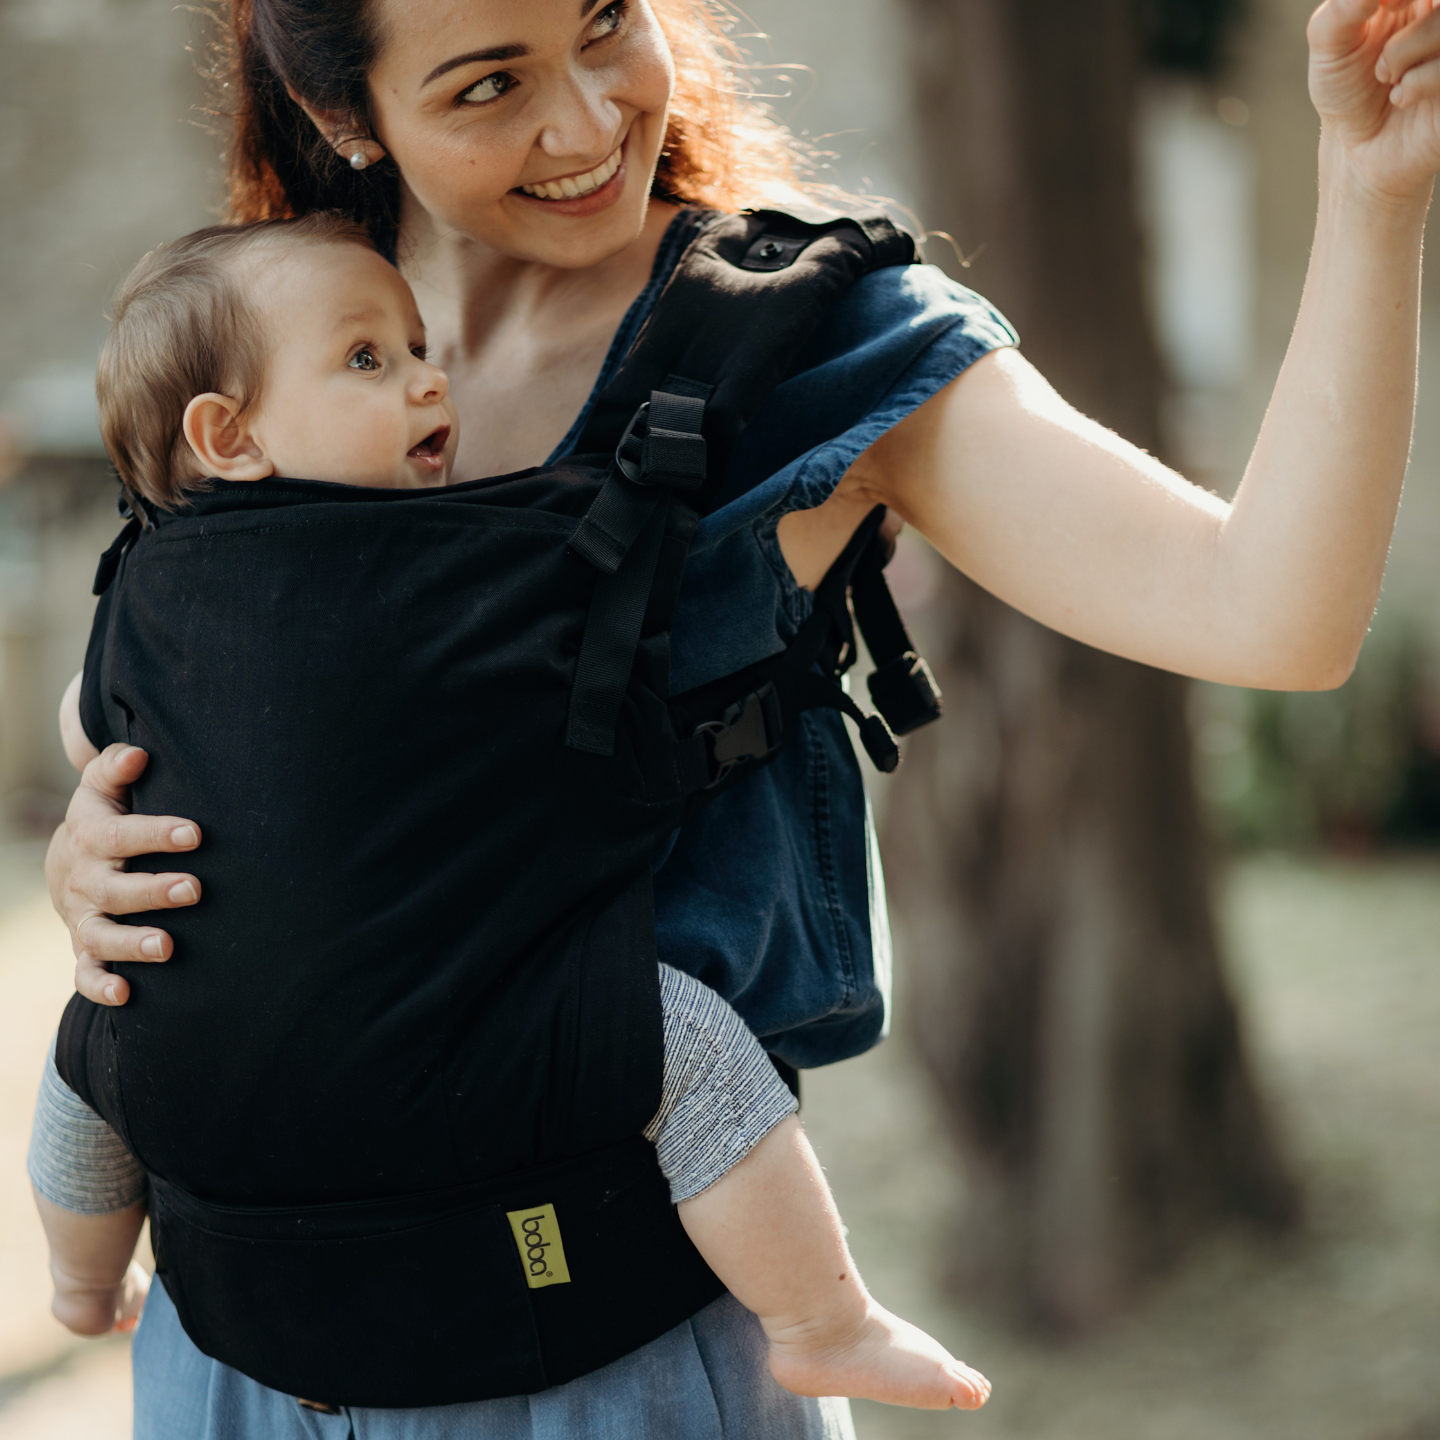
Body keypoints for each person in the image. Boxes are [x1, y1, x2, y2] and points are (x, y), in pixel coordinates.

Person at [42, 0, 1440, 1433]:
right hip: (231, 1358)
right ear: (346, 114)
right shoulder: (264, 327)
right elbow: (165, 669)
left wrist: (1371, 188)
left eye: (605, 24)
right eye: (487, 86)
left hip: (606, 1362)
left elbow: (1274, 613)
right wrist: (95, 834)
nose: (588, 124)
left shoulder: (804, 347)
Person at [30, 210, 991, 1414]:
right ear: (227, 436)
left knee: (95, 1049)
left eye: (416, 345)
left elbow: (95, 729)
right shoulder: (476, 558)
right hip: (477, 1014)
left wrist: (104, 806)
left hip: (212, 1041)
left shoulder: (146, 582)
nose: (429, 378)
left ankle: (78, 1281)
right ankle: (821, 1318)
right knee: (686, 1050)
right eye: (370, 360)